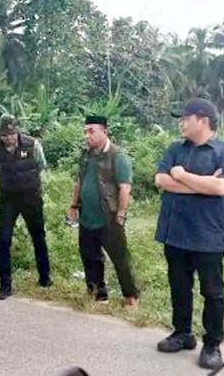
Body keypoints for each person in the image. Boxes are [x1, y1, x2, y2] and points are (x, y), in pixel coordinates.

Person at [153, 98, 224, 370]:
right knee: (179, 287)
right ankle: (182, 333)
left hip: (208, 236)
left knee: (212, 292)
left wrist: (180, 175)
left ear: (203, 120)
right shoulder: (174, 149)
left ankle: (213, 344)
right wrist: (202, 183)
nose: (180, 122)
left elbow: (221, 188)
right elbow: (160, 180)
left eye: (185, 117)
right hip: (175, 232)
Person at [66, 115, 139, 307]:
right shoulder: (86, 155)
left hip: (109, 217)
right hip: (87, 216)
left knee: (120, 258)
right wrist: (74, 206)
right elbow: (79, 181)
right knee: (89, 255)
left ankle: (131, 298)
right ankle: (98, 293)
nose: (86, 136)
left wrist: (121, 214)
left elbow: (125, 188)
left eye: (91, 131)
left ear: (104, 132)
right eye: (85, 131)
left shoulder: (118, 156)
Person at [0, 114, 51, 300]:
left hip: (31, 197)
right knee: (4, 240)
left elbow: (41, 166)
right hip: (8, 199)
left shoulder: (33, 145)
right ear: (0, 135)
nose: (9, 138)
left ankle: (45, 278)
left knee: (38, 236)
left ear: (18, 132)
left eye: (12, 133)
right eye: (5, 135)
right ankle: (5, 285)